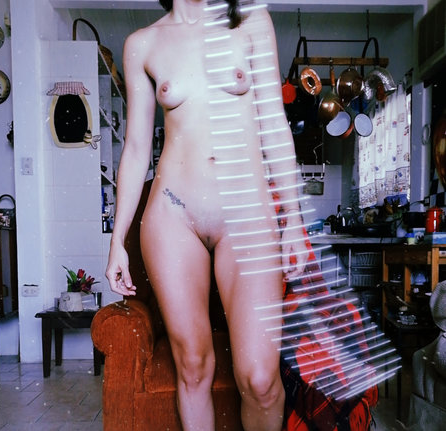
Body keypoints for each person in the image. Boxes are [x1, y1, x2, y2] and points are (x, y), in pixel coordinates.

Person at [105, 1, 309, 430]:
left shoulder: (252, 21)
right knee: (193, 366)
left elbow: (274, 124)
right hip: (173, 214)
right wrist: (117, 240)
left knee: (260, 379)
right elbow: (137, 148)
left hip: (247, 213)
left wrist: (293, 217)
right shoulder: (142, 44)